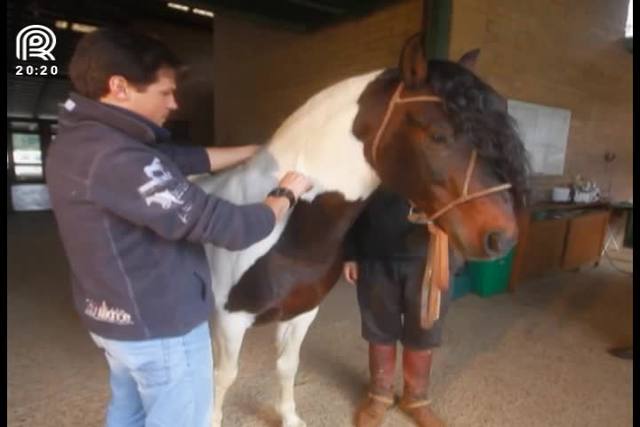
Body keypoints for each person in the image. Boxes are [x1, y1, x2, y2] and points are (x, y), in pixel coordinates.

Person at [45, 28, 312, 427]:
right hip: (159, 329)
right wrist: (284, 194)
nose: (175, 102)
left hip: (114, 321)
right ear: (119, 87)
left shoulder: (82, 139)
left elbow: (174, 158)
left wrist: (254, 154)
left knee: (128, 410)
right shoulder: (120, 159)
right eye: (165, 92)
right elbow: (228, 226)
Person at [343, 186, 461, 427]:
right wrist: (350, 253)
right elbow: (352, 201)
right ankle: (380, 395)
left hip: (429, 256)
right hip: (374, 256)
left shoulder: (446, 151)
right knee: (379, 329)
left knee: (424, 331)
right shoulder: (374, 154)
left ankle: (416, 399)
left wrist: (456, 253)